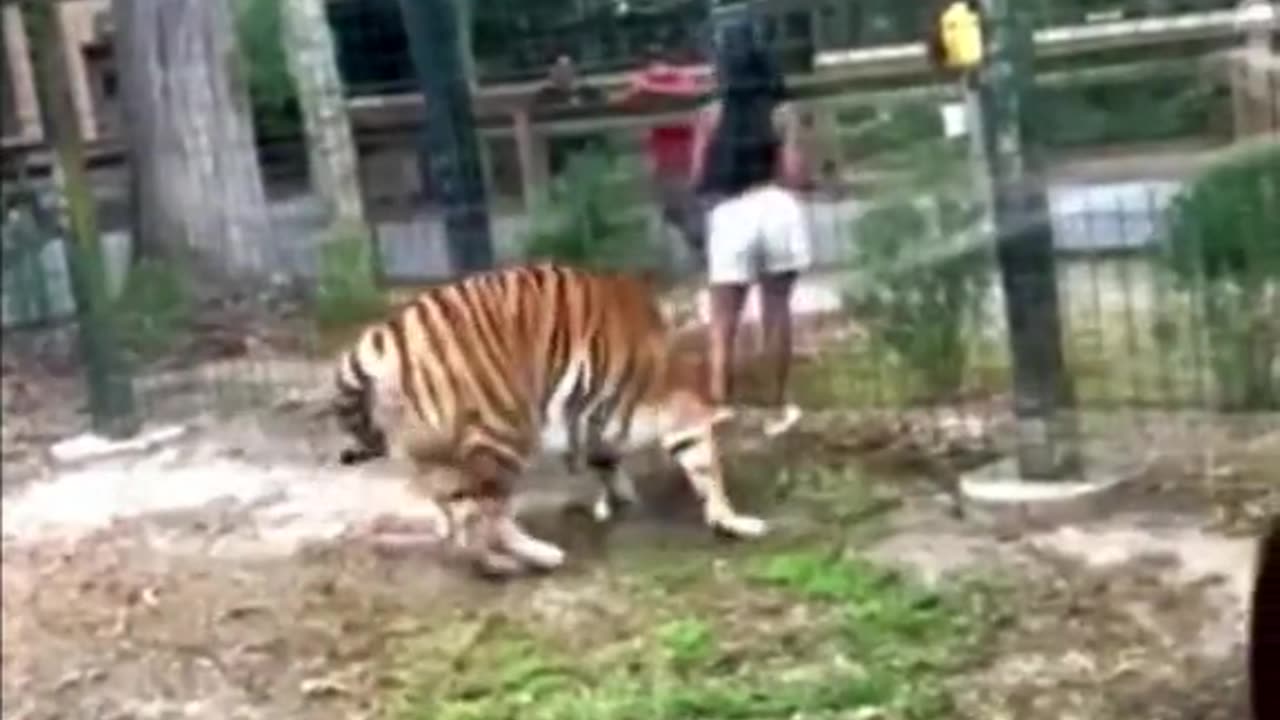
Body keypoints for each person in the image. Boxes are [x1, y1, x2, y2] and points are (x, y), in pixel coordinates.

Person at [689, 21, 814, 437]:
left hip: (729, 212)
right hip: (776, 205)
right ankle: (777, 406)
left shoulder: (709, 116)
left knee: (723, 320)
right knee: (776, 314)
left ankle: (721, 405)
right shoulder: (783, 113)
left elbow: (697, 178)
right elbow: (795, 174)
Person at [613, 46, 714, 267]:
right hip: (667, 157)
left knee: (690, 211)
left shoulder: (679, 80)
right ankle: (701, 254)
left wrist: (649, 84)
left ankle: (704, 254)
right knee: (675, 211)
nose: (659, 67)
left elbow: (692, 93)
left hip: (687, 155)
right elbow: (623, 101)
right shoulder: (650, 84)